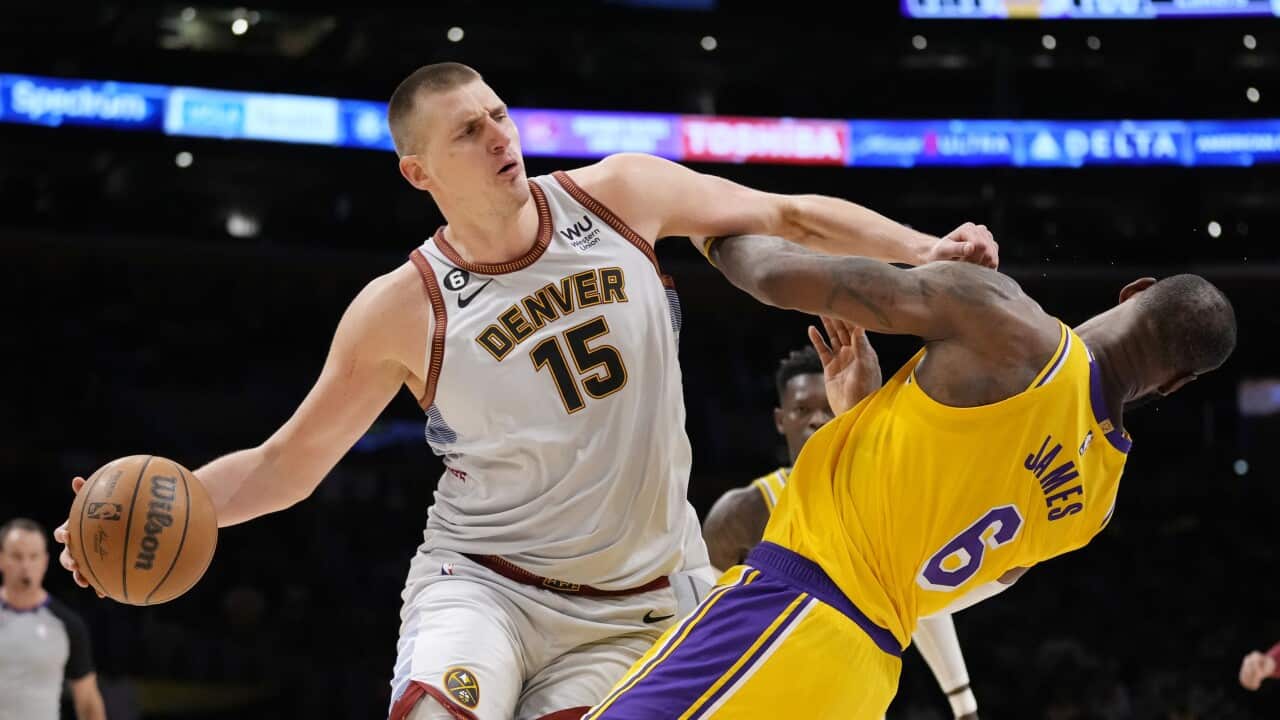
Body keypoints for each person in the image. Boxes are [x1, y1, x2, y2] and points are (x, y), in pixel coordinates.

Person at [54, 62, 998, 720]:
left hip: (637, 603)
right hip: (485, 584)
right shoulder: (402, 306)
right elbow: (286, 464)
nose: (498, 136)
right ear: (419, 172)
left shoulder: (619, 195)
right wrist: (161, 507)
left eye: (499, 114)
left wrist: (923, 249)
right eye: (467, 131)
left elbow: (785, 213)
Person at [585, 233, 1236, 719]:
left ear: (1134, 291)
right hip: (866, 679)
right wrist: (865, 419)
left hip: (788, 613)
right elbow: (938, 563)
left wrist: (704, 224)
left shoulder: (1011, 324)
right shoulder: (1096, 501)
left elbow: (776, 274)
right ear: (1176, 383)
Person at [701, 337, 980, 720]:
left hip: (855, 695)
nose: (817, 419)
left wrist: (963, 703)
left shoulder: (878, 499)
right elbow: (706, 626)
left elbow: (919, 600)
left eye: (827, 408)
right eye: (803, 409)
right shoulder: (741, 514)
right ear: (781, 419)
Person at [0, 518, 106, 720]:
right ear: (1, 558)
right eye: (17, 556)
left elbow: (87, 700)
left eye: (33, 556)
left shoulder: (68, 624)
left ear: (45, 561)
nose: (25, 565)